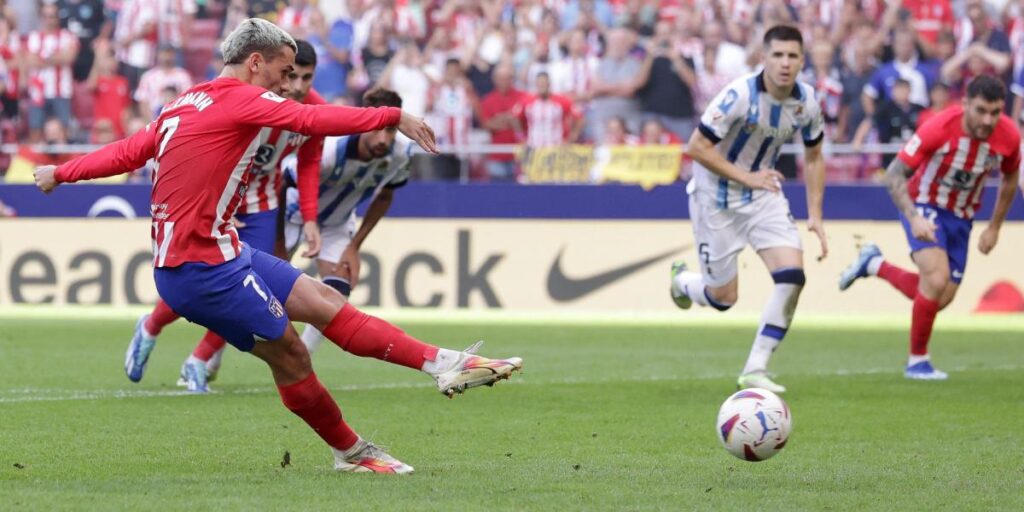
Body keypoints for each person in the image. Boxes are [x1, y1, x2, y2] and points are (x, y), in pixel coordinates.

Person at [33, 19, 522, 474]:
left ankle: (444, 364)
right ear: (255, 63)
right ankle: (351, 452)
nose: (288, 84)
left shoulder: (186, 101)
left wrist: (61, 172)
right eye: (284, 72)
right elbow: (311, 120)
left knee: (325, 301)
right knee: (291, 355)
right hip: (199, 270)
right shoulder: (241, 99)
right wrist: (393, 115)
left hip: (221, 252)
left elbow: (128, 151)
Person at [129, 39, 326, 393]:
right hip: (216, 200)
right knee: (199, 282)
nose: (297, 86)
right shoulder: (246, 98)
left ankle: (199, 360)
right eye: (291, 75)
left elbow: (309, 164)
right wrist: (220, 209)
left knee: (246, 288)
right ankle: (151, 326)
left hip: (262, 203)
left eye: (306, 78)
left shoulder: (313, 111)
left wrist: (310, 218)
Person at [669, 25, 828, 394]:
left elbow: (815, 154)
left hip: (762, 196)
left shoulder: (807, 101)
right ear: (763, 58)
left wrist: (816, 213)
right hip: (716, 199)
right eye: (778, 55)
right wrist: (746, 176)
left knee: (792, 276)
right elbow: (696, 147)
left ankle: (756, 368)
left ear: (802, 61)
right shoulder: (739, 95)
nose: (785, 63)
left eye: (792, 56)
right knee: (723, 298)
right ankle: (682, 282)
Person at [838, 75, 1021, 380]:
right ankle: (917, 361)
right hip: (924, 204)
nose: (988, 120)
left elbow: (1011, 177)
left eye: (995, 112)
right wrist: (914, 218)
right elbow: (894, 174)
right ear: (965, 104)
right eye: (981, 110)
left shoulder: (1009, 136)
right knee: (936, 279)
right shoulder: (939, 128)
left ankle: (874, 264)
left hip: (962, 217)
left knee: (941, 296)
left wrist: (994, 227)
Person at [282, 87, 410, 353]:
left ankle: (302, 354)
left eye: (391, 130)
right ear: (364, 122)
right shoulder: (330, 148)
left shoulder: (401, 154)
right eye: (378, 128)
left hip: (336, 223)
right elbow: (283, 179)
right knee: (254, 286)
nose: (383, 139)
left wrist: (354, 246)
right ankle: (204, 360)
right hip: (291, 216)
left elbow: (385, 196)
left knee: (339, 289)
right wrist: (274, 235)